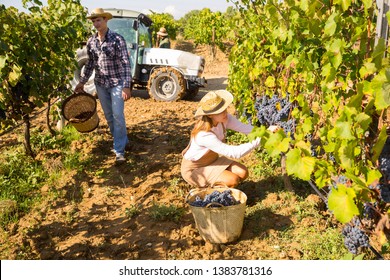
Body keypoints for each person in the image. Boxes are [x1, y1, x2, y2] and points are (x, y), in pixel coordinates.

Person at [181, 90, 276, 188]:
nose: (225, 112)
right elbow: (234, 153)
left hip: (213, 161)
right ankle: (211, 194)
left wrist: (267, 132)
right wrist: (259, 140)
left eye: (224, 109)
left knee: (243, 172)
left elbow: (247, 129)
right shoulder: (204, 135)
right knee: (233, 180)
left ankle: (219, 183)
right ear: (210, 115)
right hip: (195, 170)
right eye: (220, 111)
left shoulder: (224, 119)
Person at [75, 8, 131, 163]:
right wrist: (82, 82)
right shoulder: (91, 42)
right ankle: (122, 141)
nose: (96, 23)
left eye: (98, 20)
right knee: (109, 117)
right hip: (100, 84)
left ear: (106, 20)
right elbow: (90, 64)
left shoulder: (117, 39)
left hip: (117, 83)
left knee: (118, 115)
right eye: (93, 21)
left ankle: (119, 151)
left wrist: (126, 86)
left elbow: (126, 63)